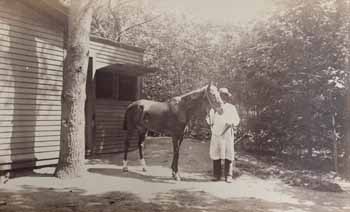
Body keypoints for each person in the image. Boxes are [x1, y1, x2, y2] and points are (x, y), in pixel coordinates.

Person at [206, 87, 240, 183]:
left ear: (227, 96)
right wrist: (209, 117)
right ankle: (216, 175)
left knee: (228, 153)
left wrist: (231, 124)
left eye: (225, 95)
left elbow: (236, 120)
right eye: (221, 95)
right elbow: (210, 120)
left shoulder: (231, 107)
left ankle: (228, 175)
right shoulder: (214, 108)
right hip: (216, 133)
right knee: (216, 153)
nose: (223, 97)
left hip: (226, 134)